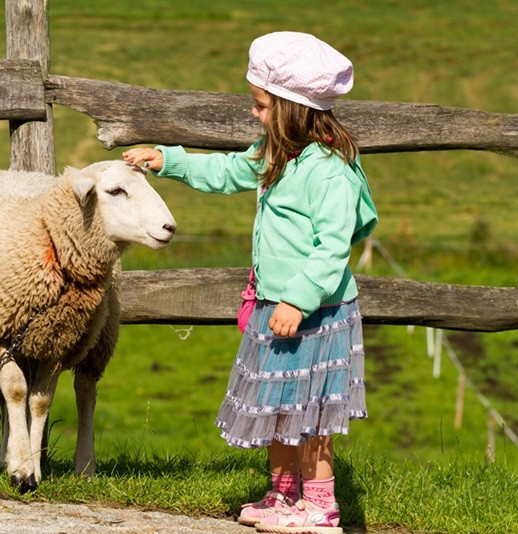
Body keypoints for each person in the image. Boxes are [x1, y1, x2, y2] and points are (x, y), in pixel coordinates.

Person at [123, 31, 377, 534]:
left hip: (315, 314)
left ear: (291, 107)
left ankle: (321, 509)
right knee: (277, 410)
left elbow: (333, 247)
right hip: (275, 308)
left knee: (312, 418)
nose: (255, 113)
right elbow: (227, 171)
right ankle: (283, 497)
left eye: (261, 105)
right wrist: (168, 160)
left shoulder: (328, 172)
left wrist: (298, 301)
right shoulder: (277, 154)